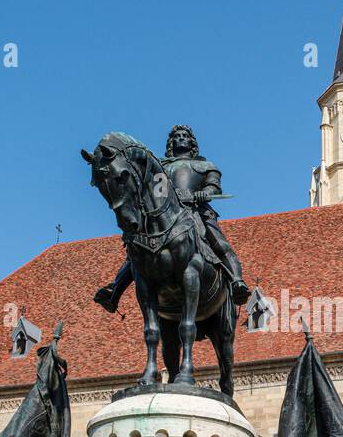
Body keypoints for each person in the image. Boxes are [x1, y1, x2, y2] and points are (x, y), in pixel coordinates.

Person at [94, 125, 249, 312]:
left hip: (196, 211)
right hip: (167, 214)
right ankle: (114, 291)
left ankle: (237, 281)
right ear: (171, 142)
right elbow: (154, 190)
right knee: (136, 248)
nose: (180, 138)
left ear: (192, 142)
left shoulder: (206, 166)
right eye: (176, 136)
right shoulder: (162, 166)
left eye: (185, 136)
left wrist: (201, 194)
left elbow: (214, 188)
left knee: (219, 242)